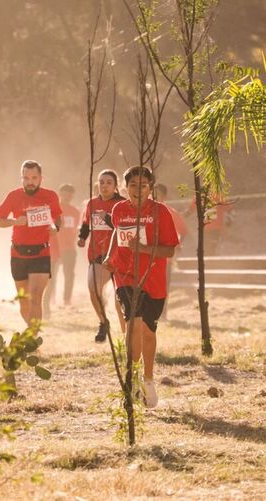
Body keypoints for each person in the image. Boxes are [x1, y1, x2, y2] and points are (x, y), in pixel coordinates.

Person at [104, 166, 179, 408]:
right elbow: (117, 233)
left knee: (148, 331)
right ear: (125, 188)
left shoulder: (161, 212)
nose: (138, 190)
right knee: (133, 324)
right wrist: (110, 256)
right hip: (125, 276)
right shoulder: (118, 209)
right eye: (133, 185)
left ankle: (148, 379)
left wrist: (143, 249)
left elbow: (169, 250)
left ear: (150, 188)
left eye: (143, 185)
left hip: (153, 280)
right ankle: (132, 378)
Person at [0, 160, 62, 327]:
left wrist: (55, 227)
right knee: (24, 302)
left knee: (35, 297)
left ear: (41, 178)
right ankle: (31, 333)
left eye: (33, 178)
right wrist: (15, 222)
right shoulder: (13, 196)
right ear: (21, 178)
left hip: (41, 253)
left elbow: (57, 217)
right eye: (26, 178)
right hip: (18, 253)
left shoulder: (51, 195)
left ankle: (32, 337)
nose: (30, 182)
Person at [78, 170, 125, 342]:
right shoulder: (91, 203)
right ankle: (103, 322)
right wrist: (82, 238)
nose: (104, 186)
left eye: (108, 183)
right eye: (101, 182)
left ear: (115, 186)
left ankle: (127, 335)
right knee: (93, 289)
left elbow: (126, 227)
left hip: (119, 255)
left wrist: (108, 219)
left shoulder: (122, 203)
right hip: (97, 254)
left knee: (120, 300)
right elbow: (85, 224)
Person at [44, 183, 80, 316]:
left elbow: (76, 229)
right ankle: (51, 298)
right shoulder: (53, 210)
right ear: (60, 194)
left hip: (69, 248)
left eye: (69, 194)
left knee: (69, 274)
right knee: (52, 275)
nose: (67, 196)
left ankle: (66, 300)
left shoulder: (75, 211)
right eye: (64, 193)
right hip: (54, 247)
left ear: (72, 196)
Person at [154, 183, 188, 319]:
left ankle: (163, 314)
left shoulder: (171, 213)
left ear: (165, 197)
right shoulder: (145, 211)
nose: (154, 197)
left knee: (163, 286)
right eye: (153, 194)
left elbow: (183, 232)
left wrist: (177, 245)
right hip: (147, 256)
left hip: (165, 258)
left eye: (158, 195)